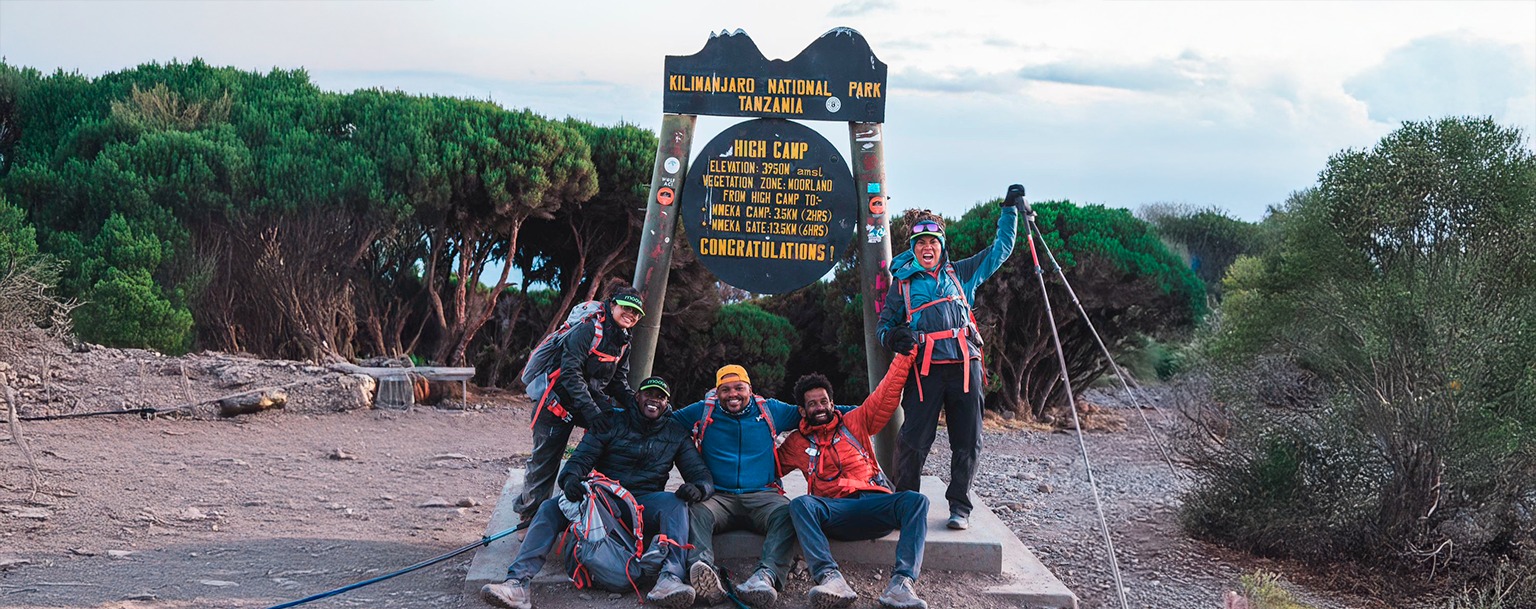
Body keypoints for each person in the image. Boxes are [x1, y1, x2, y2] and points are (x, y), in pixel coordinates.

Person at [482, 376, 714, 609]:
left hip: (643, 504)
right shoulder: (611, 421)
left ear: (667, 403)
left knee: (675, 504)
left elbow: (701, 475)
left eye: (661, 397)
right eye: (649, 394)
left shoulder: (675, 432)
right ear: (637, 397)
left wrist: (699, 488)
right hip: (604, 501)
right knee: (549, 508)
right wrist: (570, 479)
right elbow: (580, 459)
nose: (654, 400)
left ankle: (670, 580)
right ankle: (517, 583)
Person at [876, 185, 1023, 531]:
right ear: (912, 248)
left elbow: (1001, 249)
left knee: (967, 440)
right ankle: (906, 505)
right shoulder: (903, 285)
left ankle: (960, 507)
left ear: (941, 245)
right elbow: (884, 329)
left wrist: (1009, 210)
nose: (928, 248)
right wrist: (896, 336)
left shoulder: (962, 273)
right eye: (920, 244)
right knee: (912, 441)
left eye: (933, 242)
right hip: (924, 372)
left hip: (965, 365)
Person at [777, 349, 931, 609]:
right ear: (802, 411)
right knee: (801, 504)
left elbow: (885, 394)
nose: (819, 407)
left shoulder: (854, 422)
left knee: (916, 501)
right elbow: (765, 467)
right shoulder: (796, 443)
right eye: (812, 404)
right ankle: (830, 578)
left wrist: (906, 354)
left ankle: (901, 585)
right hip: (834, 512)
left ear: (832, 403)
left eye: (823, 401)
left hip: (874, 503)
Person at [671, 364, 835, 608]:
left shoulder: (770, 410)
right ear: (716, 392)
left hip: (763, 494)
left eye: (739, 387)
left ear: (750, 388)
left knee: (787, 513)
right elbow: (665, 423)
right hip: (719, 496)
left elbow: (814, 412)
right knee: (696, 511)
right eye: (725, 389)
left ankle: (766, 576)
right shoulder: (703, 410)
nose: (732, 394)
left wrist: (857, 415)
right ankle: (702, 569)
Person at [511, 287, 646, 529]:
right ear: (613, 304)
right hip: (556, 403)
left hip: (587, 402)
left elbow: (617, 381)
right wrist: (593, 411)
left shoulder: (623, 339)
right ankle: (528, 517)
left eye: (636, 312)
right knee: (545, 461)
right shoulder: (588, 329)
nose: (631, 314)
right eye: (627, 307)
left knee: (612, 437)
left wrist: (634, 405)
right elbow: (570, 374)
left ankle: (597, 502)